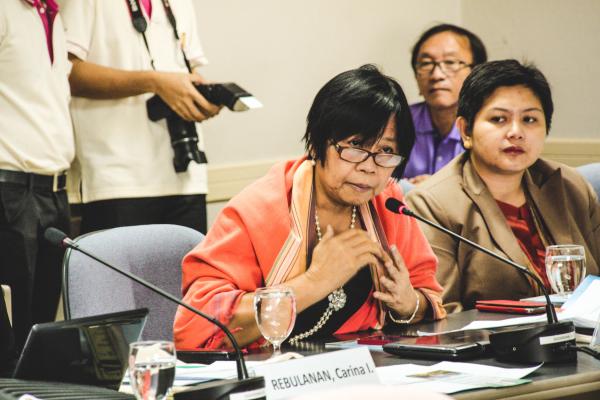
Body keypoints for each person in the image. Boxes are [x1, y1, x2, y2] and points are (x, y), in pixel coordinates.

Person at [174, 65, 446, 350]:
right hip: (273, 370)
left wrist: (408, 304)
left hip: (364, 367)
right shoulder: (258, 210)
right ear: (316, 145)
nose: (369, 166)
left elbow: (428, 295)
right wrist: (315, 281)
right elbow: (197, 327)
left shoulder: (387, 203)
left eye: (386, 151)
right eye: (355, 145)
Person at [406, 60, 600, 312]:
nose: (516, 132)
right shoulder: (431, 204)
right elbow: (443, 312)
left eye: (530, 119)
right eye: (499, 119)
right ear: (465, 131)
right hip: (491, 337)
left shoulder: (570, 186)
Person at [59, 0, 220, 234]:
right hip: (117, 180)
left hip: (186, 175)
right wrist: (154, 82)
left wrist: (199, 96)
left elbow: (187, 70)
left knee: (190, 258)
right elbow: (66, 71)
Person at [0, 0, 74, 352]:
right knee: (13, 339)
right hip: (11, 189)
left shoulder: (51, 14)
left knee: (41, 334)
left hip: (56, 187)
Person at [404, 24, 487, 184]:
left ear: (476, 73)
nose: (436, 75)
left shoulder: (490, 129)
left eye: (450, 62)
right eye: (426, 63)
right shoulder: (397, 123)